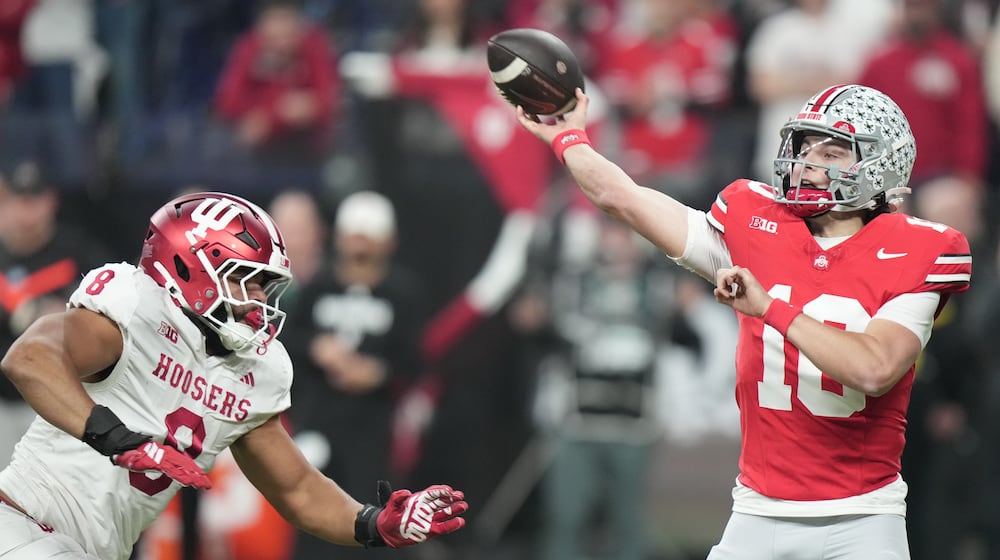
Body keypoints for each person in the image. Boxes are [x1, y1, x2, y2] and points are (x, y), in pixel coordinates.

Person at [516, 83, 972, 558]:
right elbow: (622, 197)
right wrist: (570, 139)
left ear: (881, 165)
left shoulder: (922, 248)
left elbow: (874, 369)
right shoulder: (756, 222)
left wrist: (769, 307)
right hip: (757, 512)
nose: (810, 163)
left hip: (861, 519)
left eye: (833, 152)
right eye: (804, 147)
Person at [0, 191, 467, 560]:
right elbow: (30, 358)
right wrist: (117, 437)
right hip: (24, 523)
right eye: (247, 279)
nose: (261, 299)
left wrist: (372, 523)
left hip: (91, 548)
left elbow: (298, 489)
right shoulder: (133, 308)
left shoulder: (253, 371)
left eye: (267, 285)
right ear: (189, 264)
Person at [284, 190, 428, 560]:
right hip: (319, 420)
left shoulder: (403, 293)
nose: (360, 245)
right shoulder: (318, 288)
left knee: (371, 514)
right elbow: (288, 340)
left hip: (373, 429)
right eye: (354, 235)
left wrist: (377, 373)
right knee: (312, 513)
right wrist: (318, 348)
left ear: (388, 241)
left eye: (369, 236)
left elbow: (415, 361)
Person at [0, 159, 112, 466]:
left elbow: (114, 314)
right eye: (19, 200)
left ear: (51, 201)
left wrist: (63, 314)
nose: (28, 211)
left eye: (35, 200)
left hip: (61, 401)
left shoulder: (78, 251)